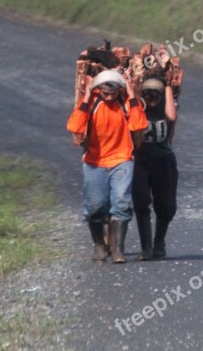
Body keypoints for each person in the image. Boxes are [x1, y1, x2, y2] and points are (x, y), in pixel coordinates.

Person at [66, 69, 147, 263]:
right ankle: (99, 245)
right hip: (95, 162)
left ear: (119, 89)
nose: (109, 96)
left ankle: (118, 250)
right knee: (95, 207)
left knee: (122, 203)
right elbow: (75, 127)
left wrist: (132, 94)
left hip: (122, 159)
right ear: (98, 90)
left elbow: (138, 125)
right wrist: (86, 98)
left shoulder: (125, 102)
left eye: (112, 93)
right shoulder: (92, 102)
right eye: (104, 93)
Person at [133, 76, 178, 260]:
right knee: (141, 202)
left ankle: (159, 241)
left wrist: (167, 87)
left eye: (156, 96)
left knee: (166, 206)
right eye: (148, 95)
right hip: (140, 160)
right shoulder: (138, 106)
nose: (152, 100)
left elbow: (171, 116)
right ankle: (146, 248)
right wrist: (135, 91)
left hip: (163, 159)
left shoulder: (167, 106)